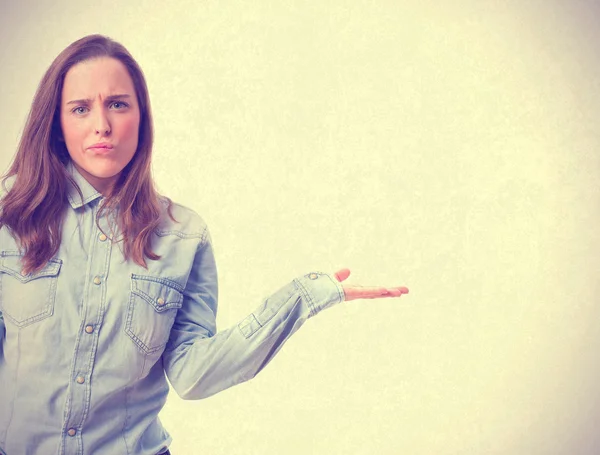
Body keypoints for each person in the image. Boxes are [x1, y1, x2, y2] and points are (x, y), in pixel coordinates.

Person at [0, 34, 409, 455]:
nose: (101, 125)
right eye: (81, 108)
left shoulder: (183, 235)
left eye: (118, 104)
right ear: (56, 122)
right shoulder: (9, 216)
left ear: (141, 118)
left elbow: (193, 374)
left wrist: (303, 298)